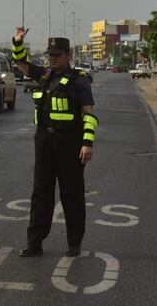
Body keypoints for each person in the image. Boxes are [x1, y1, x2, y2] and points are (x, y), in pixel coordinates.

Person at [12, 29, 97, 258]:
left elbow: (89, 114)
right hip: (44, 140)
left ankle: (74, 242)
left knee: (71, 193)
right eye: (50, 54)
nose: (52, 58)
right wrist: (17, 42)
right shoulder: (44, 75)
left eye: (57, 55)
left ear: (68, 55)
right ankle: (35, 242)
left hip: (70, 141)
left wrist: (87, 143)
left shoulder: (79, 80)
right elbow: (22, 63)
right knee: (41, 191)